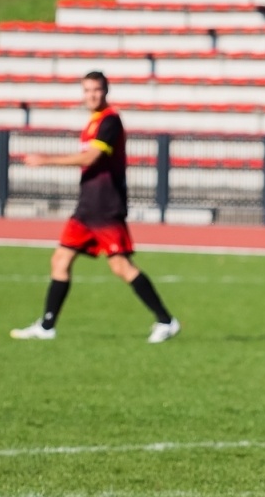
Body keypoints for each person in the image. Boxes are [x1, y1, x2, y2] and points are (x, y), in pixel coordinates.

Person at [11, 71, 179, 343]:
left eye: (96, 90)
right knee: (60, 260)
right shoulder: (93, 121)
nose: (92, 95)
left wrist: (46, 160)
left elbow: (92, 157)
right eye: (87, 90)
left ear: (106, 91)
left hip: (105, 206)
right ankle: (47, 326)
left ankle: (166, 321)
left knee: (121, 267)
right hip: (86, 207)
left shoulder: (110, 120)